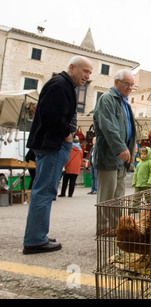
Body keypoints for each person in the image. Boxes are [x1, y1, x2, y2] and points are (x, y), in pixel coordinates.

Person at [23, 56, 93, 254]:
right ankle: (35, 239)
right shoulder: (60, 85)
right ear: (71, 67)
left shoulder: (63, 85)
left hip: (53, 144)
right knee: (44, 192)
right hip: (53, 145)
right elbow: (52, 116)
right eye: (85, 71)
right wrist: (67, 135)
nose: (87, 77)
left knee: (44, 191)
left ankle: (38, 235)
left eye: (89, 73)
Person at [93, 69, 137, 236]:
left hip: (121, 158)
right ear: (116, 82)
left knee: (118, 195)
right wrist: (120, 148)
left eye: (132, 85)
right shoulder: (107, 99)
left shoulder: (124, 102)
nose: (129, 88)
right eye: (127, 84)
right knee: (107, 194)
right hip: (109, 156)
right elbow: (108, 127)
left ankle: (117, 226)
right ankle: (102, 227)